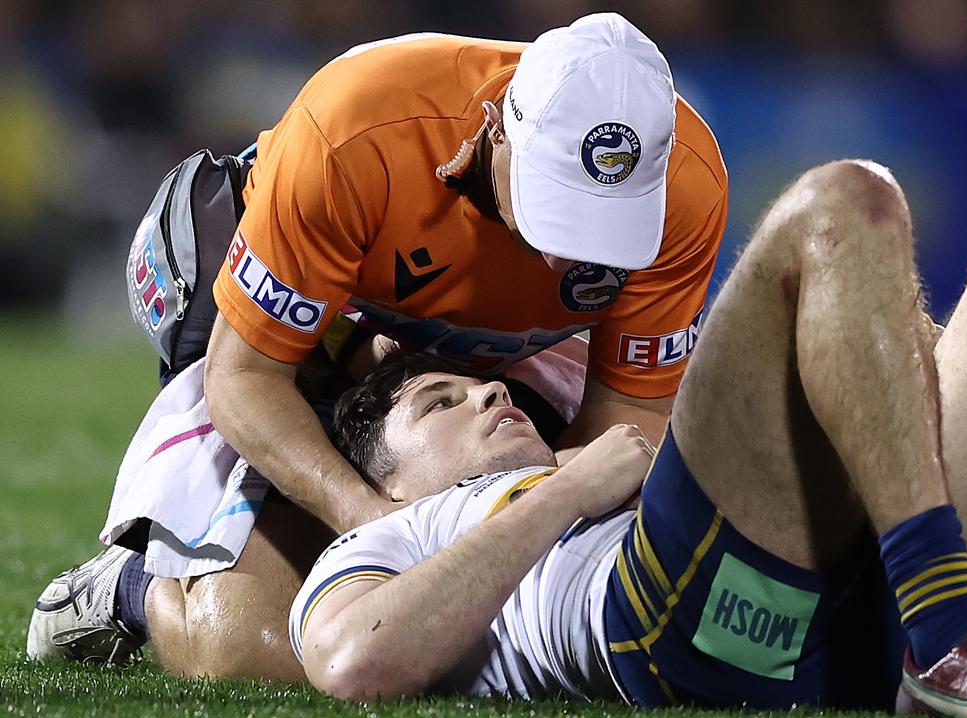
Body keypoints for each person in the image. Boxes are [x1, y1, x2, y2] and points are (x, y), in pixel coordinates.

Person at [289, 159, 967, 718]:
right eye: (439, 406)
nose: (485, 400)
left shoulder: (610, 457)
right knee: (838, 203)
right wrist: (564, 489)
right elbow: (351, 666)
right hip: (701, 633)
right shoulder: (382, 545)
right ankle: (946, 642)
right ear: (392, 484)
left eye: (475, 385)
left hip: (860, 609)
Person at [27, 13, 726, 681]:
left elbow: (624, 426)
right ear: (496, 130)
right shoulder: (357, 129)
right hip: (302, 346)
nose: (568, 255)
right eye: (556, 205)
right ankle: (131, 586)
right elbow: (245, 377)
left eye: (608, 225)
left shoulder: (689, 187)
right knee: (250, 645)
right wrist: (375, 526)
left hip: (498, 356)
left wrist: (493, 543)